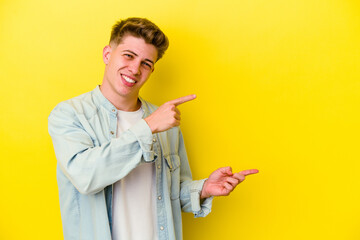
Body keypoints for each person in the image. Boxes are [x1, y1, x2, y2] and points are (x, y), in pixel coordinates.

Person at [48, 17, 258, 240]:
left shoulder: (166, 121)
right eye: (128, 55)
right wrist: (147, 127)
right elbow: (85, 177)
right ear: (107, 54)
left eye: (146, 63)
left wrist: (204, 188)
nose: (135, 69)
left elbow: (169, 194)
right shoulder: (69, 114)